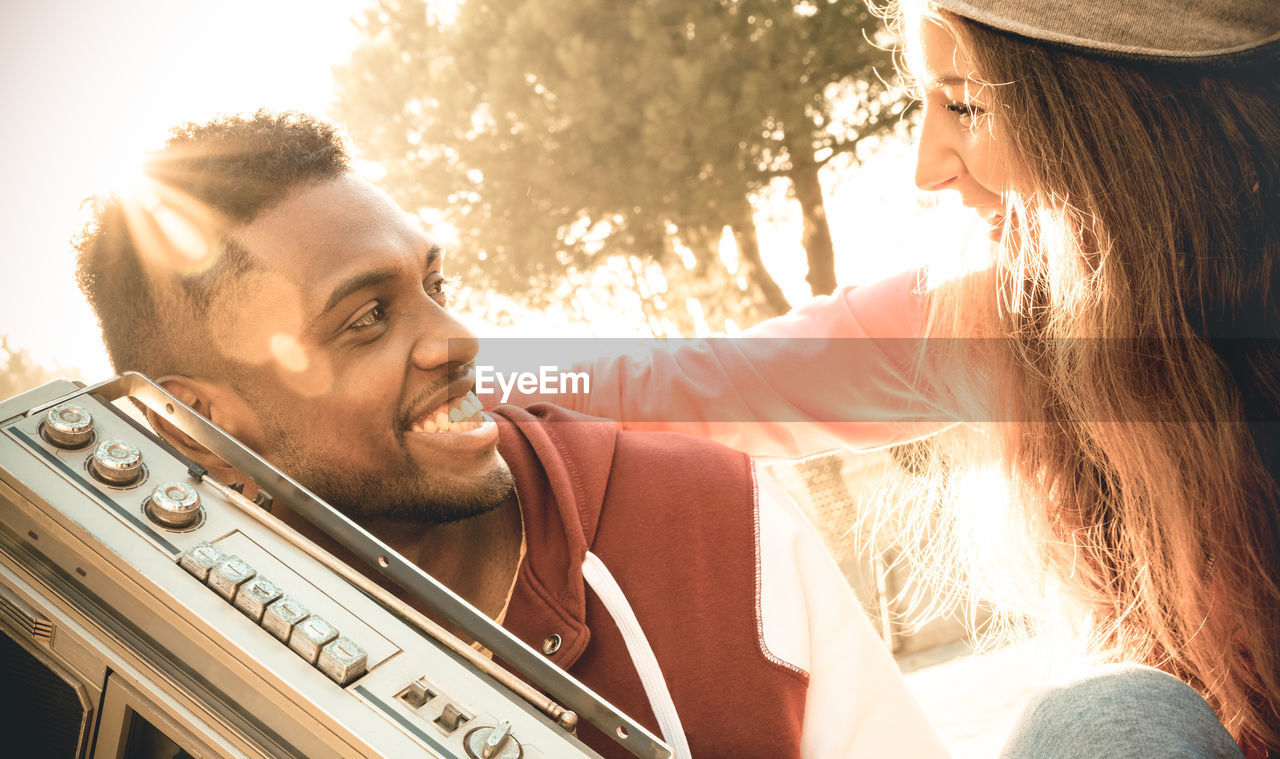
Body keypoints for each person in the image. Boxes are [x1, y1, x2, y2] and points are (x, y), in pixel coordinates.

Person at [489, 0, 1280, 755]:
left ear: (1121, 112)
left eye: (966, 106)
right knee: (1107, 714)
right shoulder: (1012, 319)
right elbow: (702, 383)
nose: (925, 167)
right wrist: (443, 371)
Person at [73, 111, 948, 759]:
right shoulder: (179, 661)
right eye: (368, 318)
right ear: (202, 425)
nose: (457, 338)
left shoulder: (711, 515)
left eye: (435, 281)